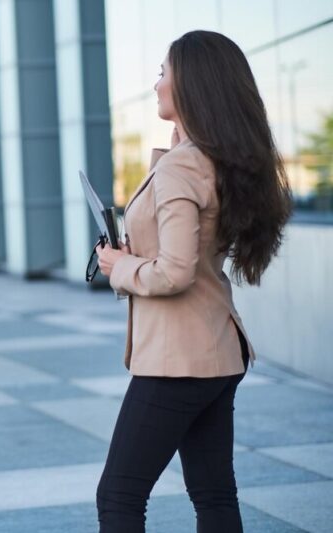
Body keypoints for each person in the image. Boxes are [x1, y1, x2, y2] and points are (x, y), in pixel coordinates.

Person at [94, 30, 292, 533]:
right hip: (218, 352)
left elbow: (176, 271)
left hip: (177, 361)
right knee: (214, 496)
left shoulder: (183, 168)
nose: (156, 82)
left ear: (191, 85)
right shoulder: (208, 160)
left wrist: (120, 267)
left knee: (119, 495)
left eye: (163, 72)